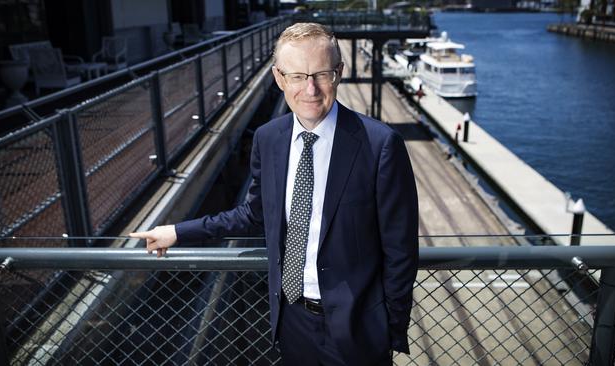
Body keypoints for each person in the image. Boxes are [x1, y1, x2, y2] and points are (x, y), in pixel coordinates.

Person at [130, 22, 419, 366]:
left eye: (321, 74)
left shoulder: (380, 144)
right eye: (297, 76)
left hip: (358, 329)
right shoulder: (268, 139)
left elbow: (400, 249)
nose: (310, 89)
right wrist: (177, 232)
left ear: (339, 73)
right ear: (279, 78)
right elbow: (252, 214)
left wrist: (389, 328)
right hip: (293, 322)